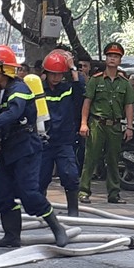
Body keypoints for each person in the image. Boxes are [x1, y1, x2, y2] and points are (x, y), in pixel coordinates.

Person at [0, 44, 68, 247]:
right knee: (2, 194)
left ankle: (57, 228)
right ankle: (12, 236)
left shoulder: (20, 89)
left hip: (26, 148)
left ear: (4, 69)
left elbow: (14, 114)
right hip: (8, 149)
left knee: (29, 194)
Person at [78, 42, 134, 205]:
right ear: (106, 59)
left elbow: (129, 105)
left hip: (115, 125)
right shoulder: (96, 80)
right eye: (110, 56)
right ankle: (84, 191)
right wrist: (83, 123)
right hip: (97, 123)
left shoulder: (124, 83)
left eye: (116, 56)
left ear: (120, 60)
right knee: (91, 158)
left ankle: (114, 194)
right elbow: (87, 102)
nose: (112, 58)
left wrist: (129, 126)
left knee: (113, 160)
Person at [39, 50, 85, 217]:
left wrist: (73, 67)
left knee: (70, 175)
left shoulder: (67, 89)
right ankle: (41, 211)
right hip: (44, 141)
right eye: (53, 74)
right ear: (46, 73)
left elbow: (81, 91)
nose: (56, 78)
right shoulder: (39, 90)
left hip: (64, 141)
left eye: (59, 74)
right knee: (41, 178)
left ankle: (73, 211)